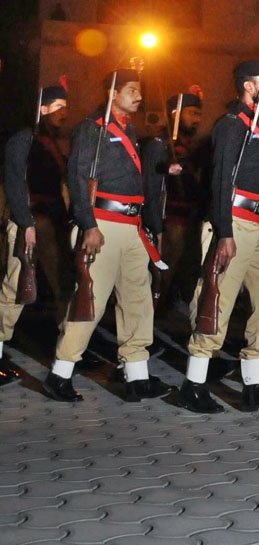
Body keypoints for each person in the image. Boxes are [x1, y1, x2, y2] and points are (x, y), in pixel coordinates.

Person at [44, 68, 173, 403]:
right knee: (90, 300)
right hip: (103, 223)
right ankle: (60, 374)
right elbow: (77, 176)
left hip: (131, 227)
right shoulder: (93, 128)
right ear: (113, 93)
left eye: (139, 90)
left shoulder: (130, 131)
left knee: (137, 303)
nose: (139, 96)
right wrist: (88, 224)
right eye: (132, 90)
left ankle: (136, 376)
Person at [180, 50, 259, 414]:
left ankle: (255, 384)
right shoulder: (231, 125)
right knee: (217, 301)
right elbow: (219, 180)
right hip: (234, 222)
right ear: (249, 86)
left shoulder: (254, 125)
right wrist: (225, 232)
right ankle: (193, 384)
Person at [1, 78, 73, 384]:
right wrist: (26, 223)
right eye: (57, 107)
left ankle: (66, 349)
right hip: (30, 221)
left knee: (63, 284)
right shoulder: (24, 138)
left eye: (65, 108)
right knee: (16, 287)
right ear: (42, 109)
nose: (62, 114)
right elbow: (15, 183)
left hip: (52, 221)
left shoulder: (52, 144)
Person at [141, 85, 205, 310]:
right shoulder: (161, 144)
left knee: (179, 261)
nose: (197, 119)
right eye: (192, 113)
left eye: (198, 114)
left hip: (187, 213)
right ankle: (153, 304)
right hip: (168, 213)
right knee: (165, 260)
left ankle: (168, 298)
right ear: (176, 114)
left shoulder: (193, 147)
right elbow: (151, 183)